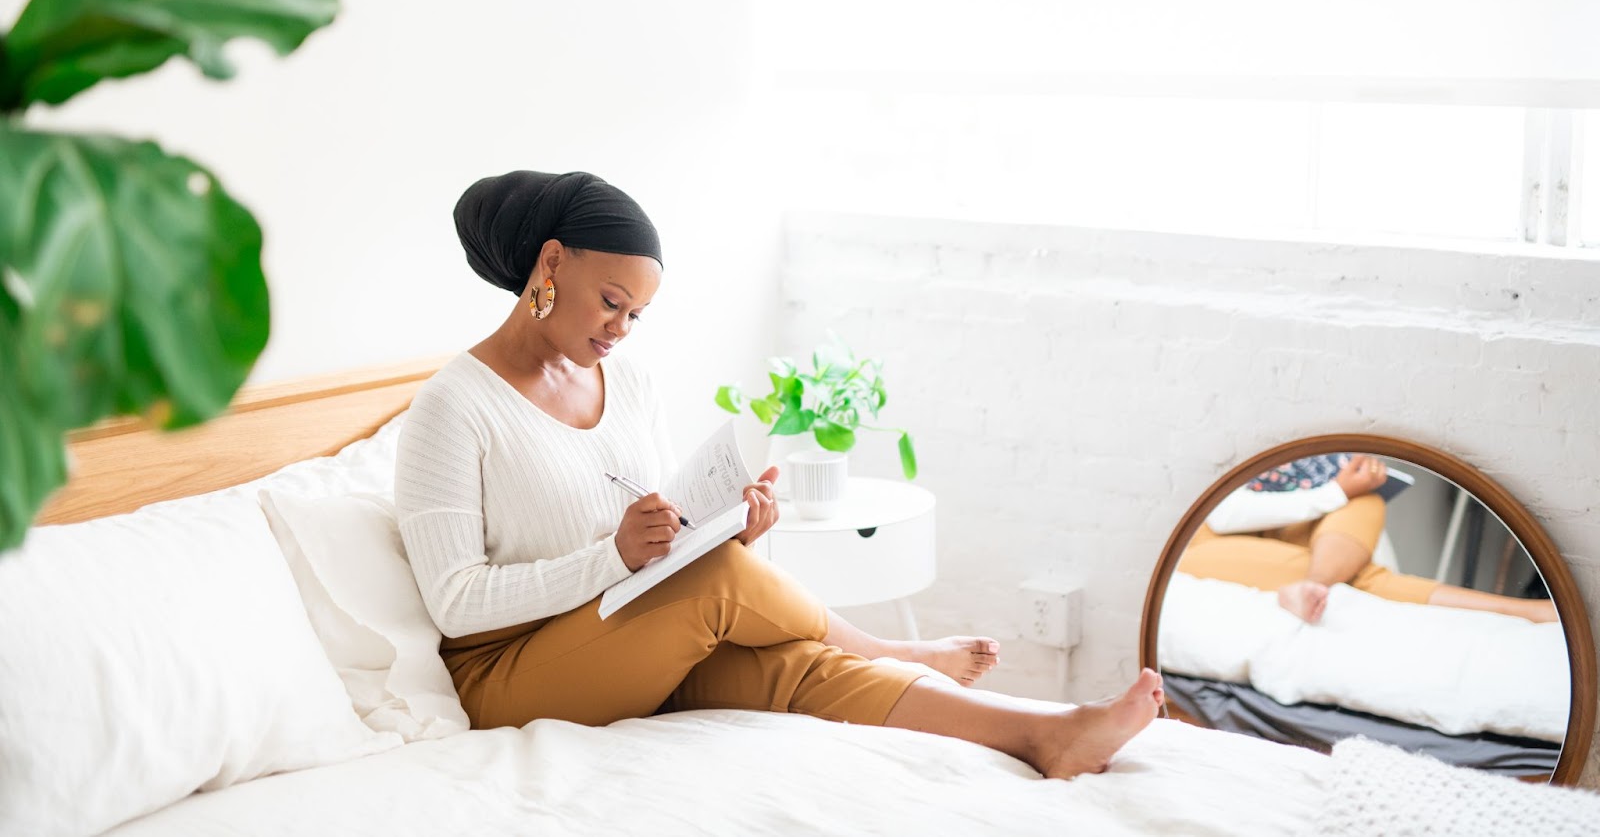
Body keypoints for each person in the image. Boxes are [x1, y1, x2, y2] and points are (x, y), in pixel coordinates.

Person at [394, 169, 1165, 781]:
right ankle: (897, 650)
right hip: (508, 674)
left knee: (796, 664)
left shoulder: (628, 385)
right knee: (721, 582)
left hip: (617, 629)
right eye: (612, 302)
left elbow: (653, 533)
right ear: (552, 262)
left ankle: (1043, 733)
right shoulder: (453, 407)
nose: (620, 330)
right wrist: (617, 558)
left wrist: (724, 526)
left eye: (637, 315)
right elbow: (458, 606)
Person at [1179, 453, 1557, 625]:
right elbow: (1223, 514)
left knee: (1366, 499)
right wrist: (1336, 492)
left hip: (1317, 537)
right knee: (1364, 578)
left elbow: (1352, 512)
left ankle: (1313, 584)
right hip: (1216, 538)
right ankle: (1516, 609)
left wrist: (1351, 490)